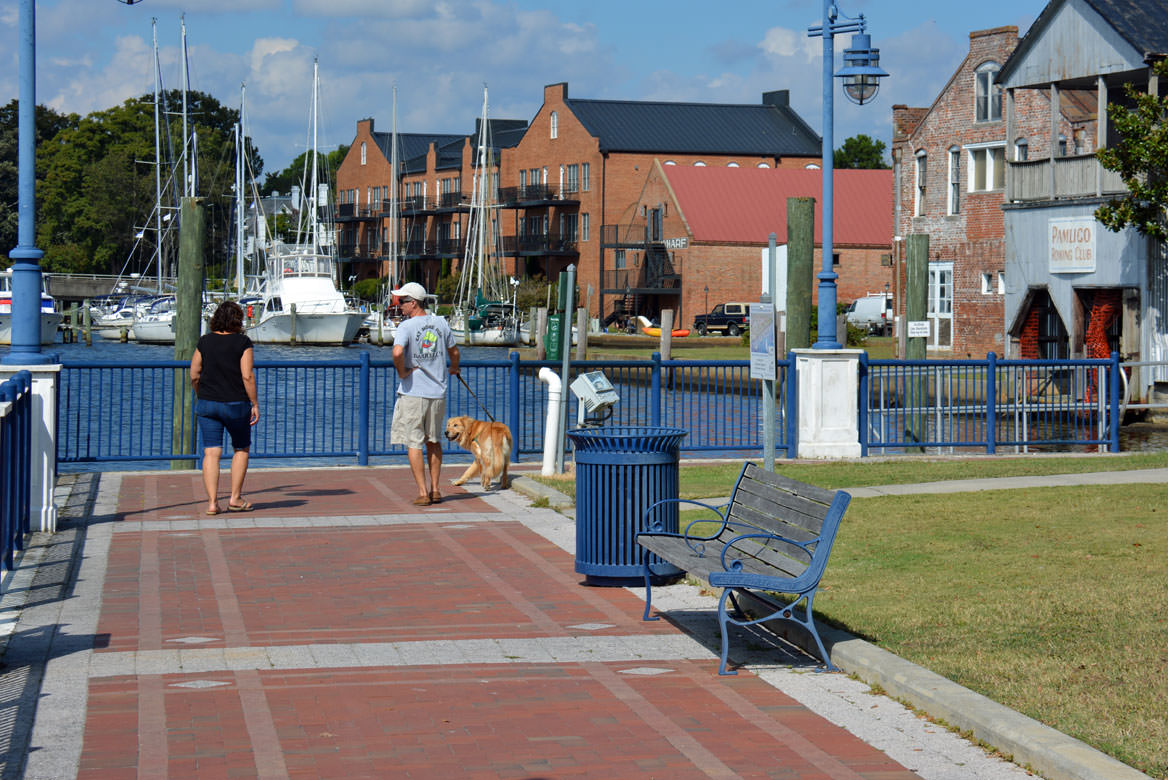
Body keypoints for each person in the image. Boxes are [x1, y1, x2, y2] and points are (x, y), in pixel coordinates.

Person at [390, 282, 460, 506]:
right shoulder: (441, 323)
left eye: (402, 301)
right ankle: (436, 489)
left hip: (413, 392)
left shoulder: (406, 327)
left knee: (414, 442)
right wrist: (454, 367)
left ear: (413, 303)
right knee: (434, 440)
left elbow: (397, 352)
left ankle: (422, 492)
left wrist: (402, 372)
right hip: (437, 392)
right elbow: (454, 351)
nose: (399, 305)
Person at [189, 301, 260, 515]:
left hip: (207, 403)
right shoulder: (243, 342)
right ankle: (235, 498)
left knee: (211, 452)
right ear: (238, 320)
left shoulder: (205, 341)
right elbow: (247, 376)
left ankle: (212, 503)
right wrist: (255, 403)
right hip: (236, 404)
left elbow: (194, 374)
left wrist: (201, 393)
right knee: (241, 448)